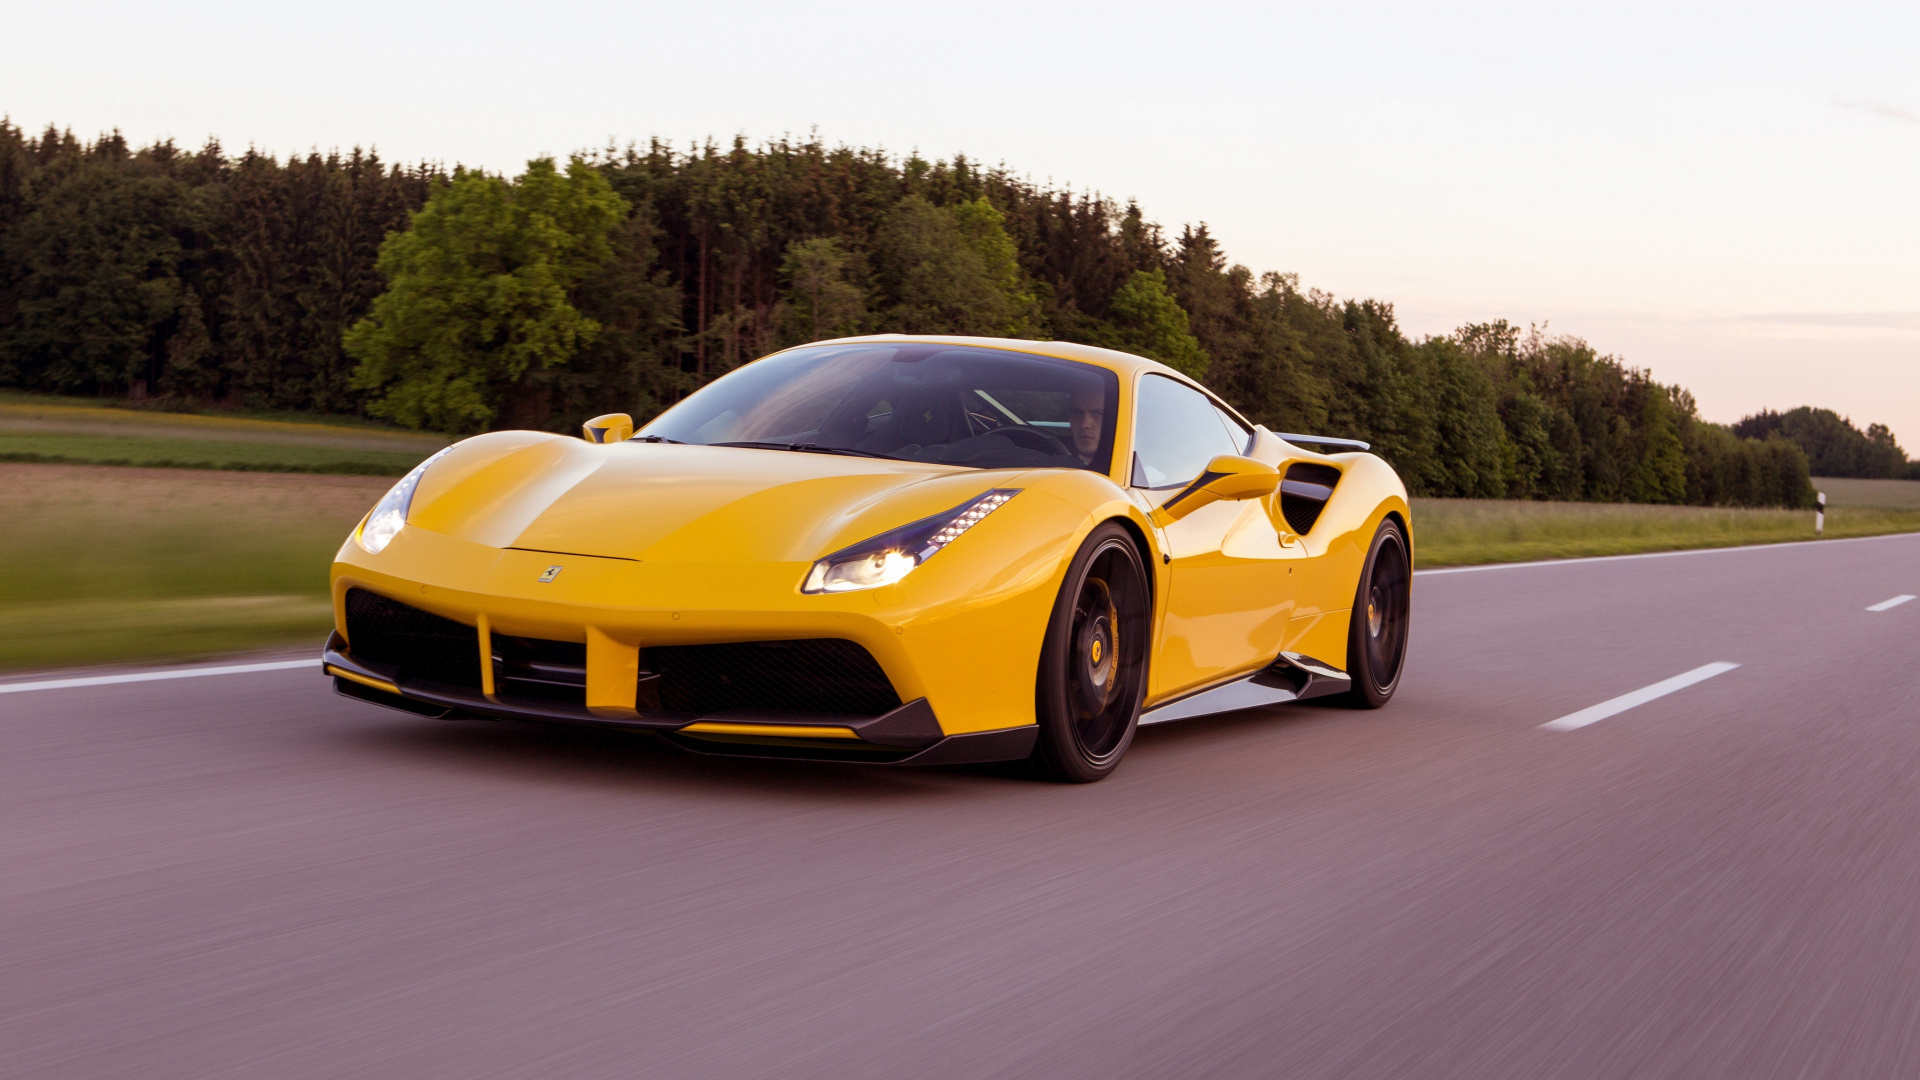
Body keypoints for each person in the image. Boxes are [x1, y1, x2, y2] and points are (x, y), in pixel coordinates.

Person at [1066, 385, 1104, 466]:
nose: (1084, 424)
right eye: (1077, 413)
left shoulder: (1130, 467)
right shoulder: (1049, 463)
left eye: (1098, 413)